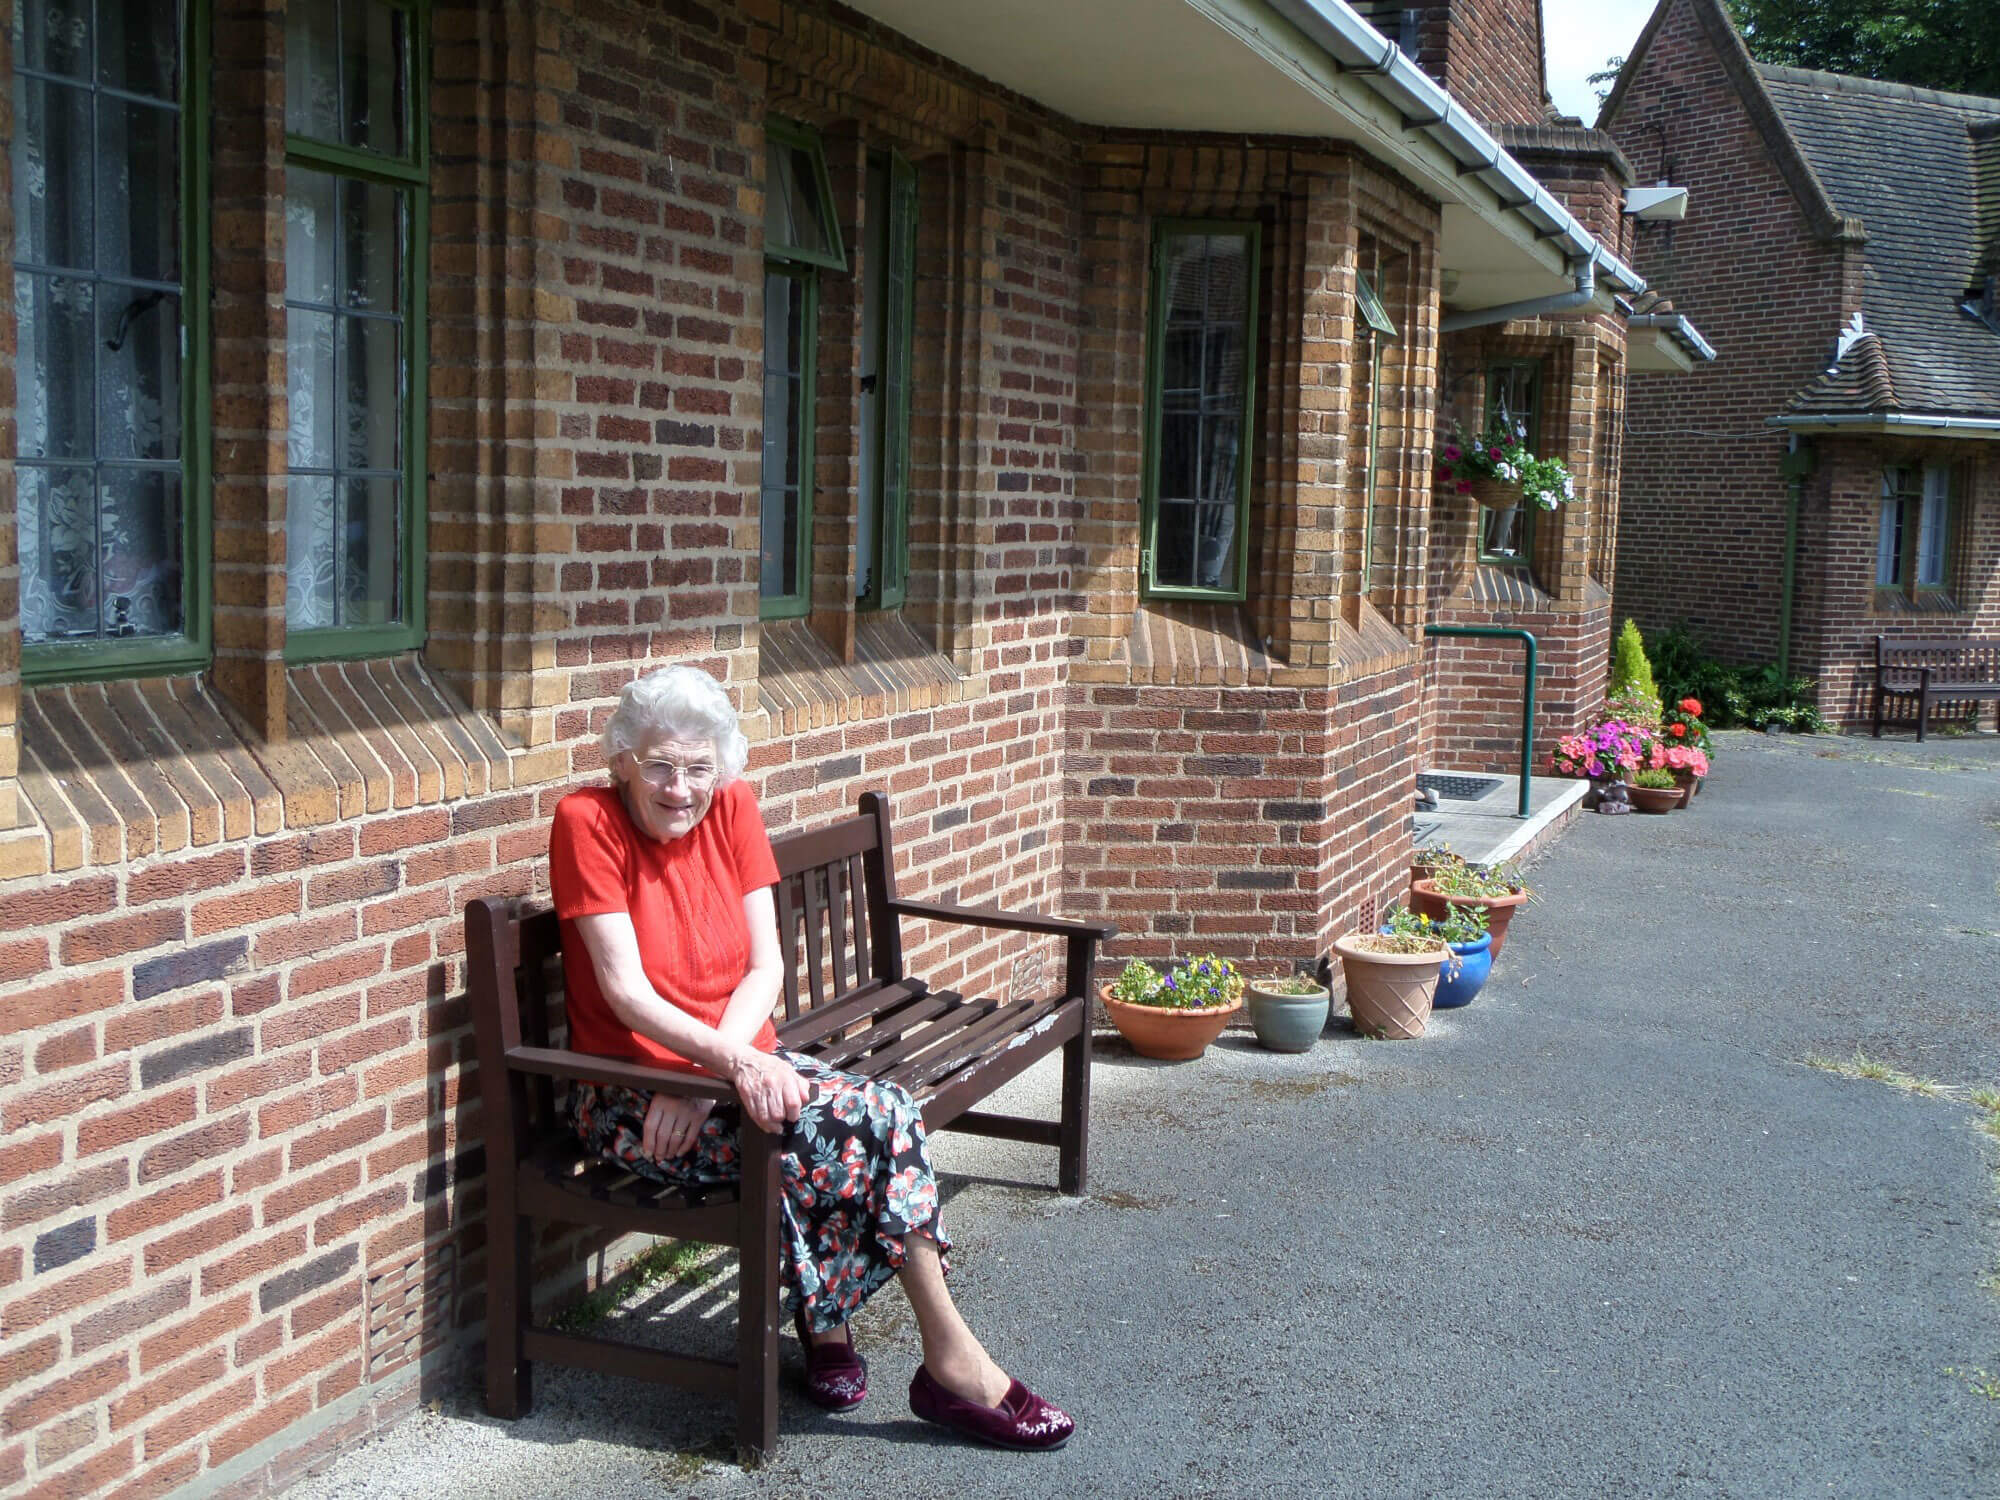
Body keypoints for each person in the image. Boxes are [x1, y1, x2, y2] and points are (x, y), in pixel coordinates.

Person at [548, 664, 1074, 1451]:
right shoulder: (585, 821)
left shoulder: (733, 805)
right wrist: (714, 1072)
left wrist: (717, 1073)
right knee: (827, 1131)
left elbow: (768, 969)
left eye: (698, 767)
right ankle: (915, 1355)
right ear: (622, 757)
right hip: (633, 1095)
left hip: (724, 1069)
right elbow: (626, 995)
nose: (680, 788)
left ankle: (918, 1350)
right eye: (659, 764)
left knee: (873, 1115)